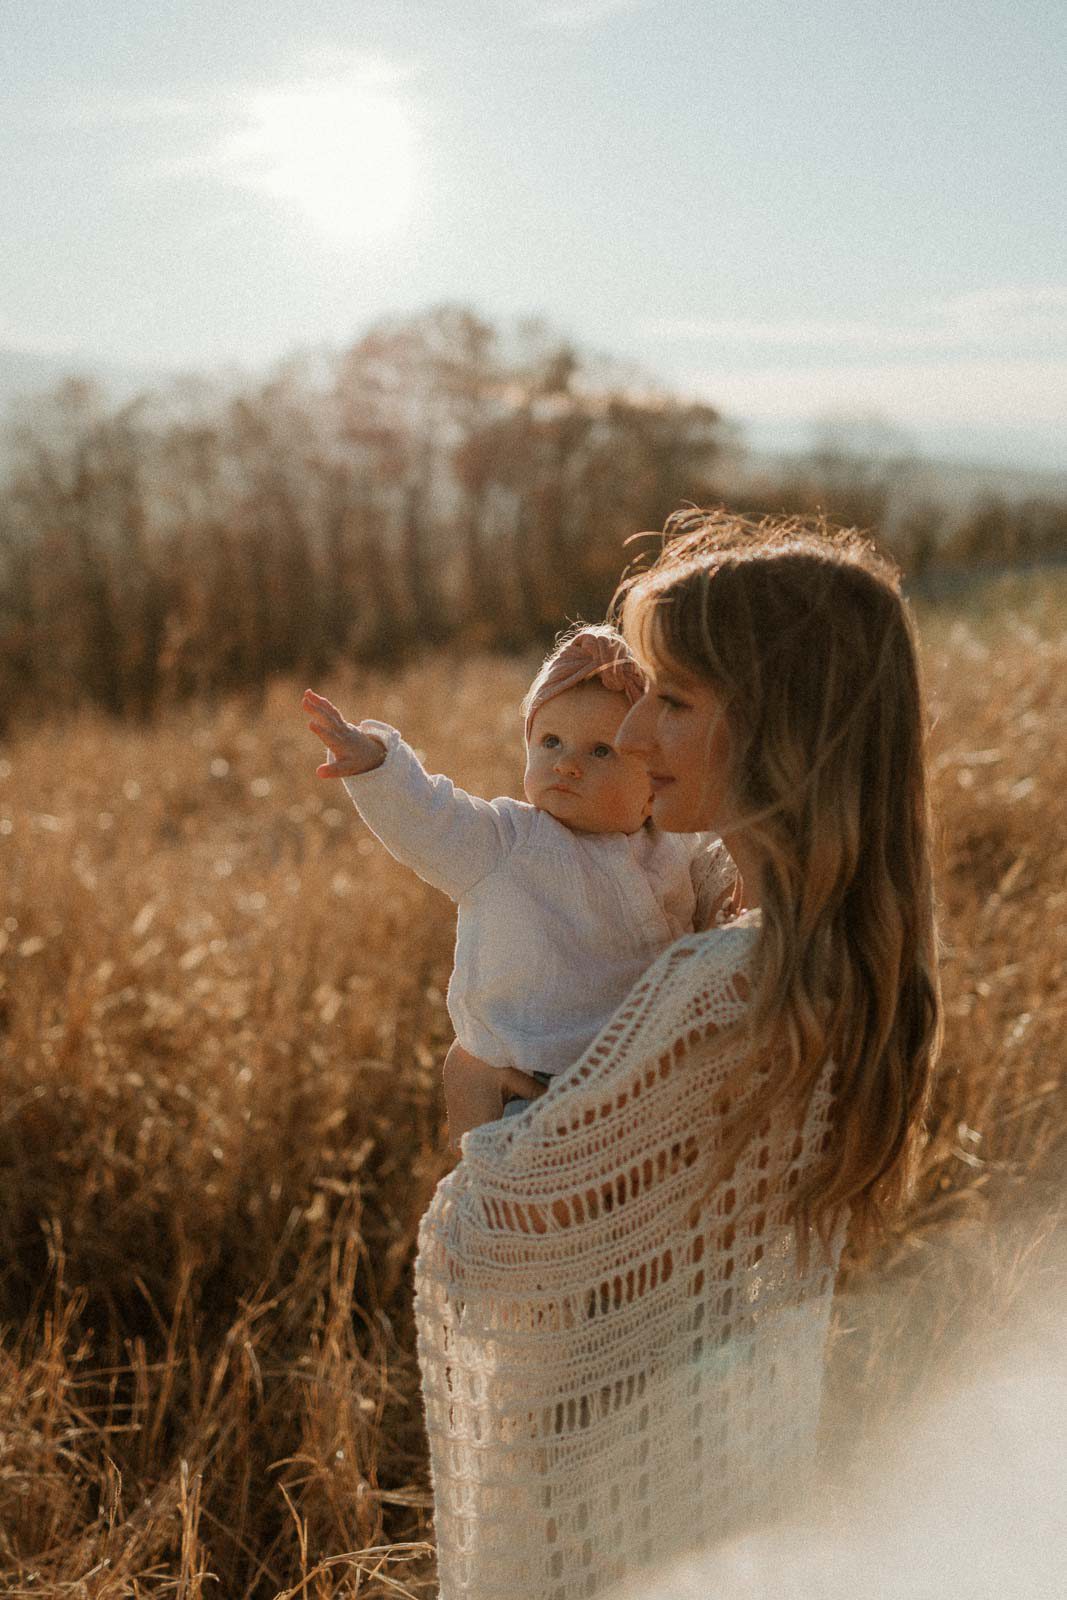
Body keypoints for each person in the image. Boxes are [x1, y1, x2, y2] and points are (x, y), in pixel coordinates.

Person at [411, 511, 943, 1600]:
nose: (635, 732)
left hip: (614, 1501)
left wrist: (472, 1095)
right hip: (726, 1480)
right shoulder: (843, 963)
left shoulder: (719, 994)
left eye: (677, 700)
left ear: (785, 730)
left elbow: (489, 1250)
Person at [302, 625, 738, 1152]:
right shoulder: (508, 842)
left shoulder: (672, 845)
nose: (568, 763)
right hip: (535, 1089)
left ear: (655, 782)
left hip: (647, 1089)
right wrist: (376, 764)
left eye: (602, 751)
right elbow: (432, 818)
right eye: (550, 741)